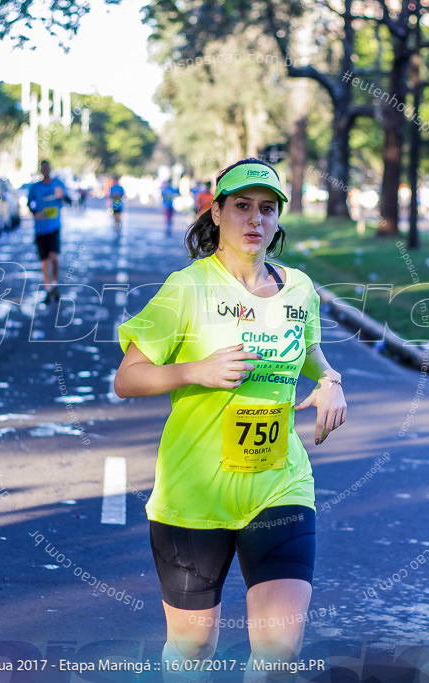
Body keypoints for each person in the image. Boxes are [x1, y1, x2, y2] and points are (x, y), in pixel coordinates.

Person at [114, 158, 347, 680]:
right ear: (216, 212)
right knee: (192, 648)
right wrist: (195, 370)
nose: (254, 220)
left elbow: (309, 350)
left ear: (278, 220)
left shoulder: (299, 289)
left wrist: (330, 380)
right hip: (194, 496)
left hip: (278, 484)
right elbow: (127, 378)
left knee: (279, 652)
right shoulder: (188, 288)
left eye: (267, 209)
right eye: (241, 206)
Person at [27, 160, 68, 303]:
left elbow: (68, 200)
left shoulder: (58, 184)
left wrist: (61, 196)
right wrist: (34, 212)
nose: (45, 170)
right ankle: (48, 288)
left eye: (47, 167)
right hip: (40, 229)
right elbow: (30, 203)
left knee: (54, 258)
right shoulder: (35, 188)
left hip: (54, 227)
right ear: (40, 170)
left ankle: (55, 284)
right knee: (45, 262)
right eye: (42, 168)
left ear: (50, 169)